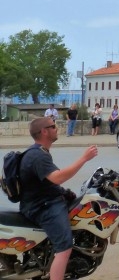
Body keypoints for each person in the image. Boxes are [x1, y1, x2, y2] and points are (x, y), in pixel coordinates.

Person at [19, 117, 98, 280]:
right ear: (44, 131)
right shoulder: (38, 156)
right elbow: (58, 177)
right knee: (64, 248)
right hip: (42, 207)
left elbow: (49, 183)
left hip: (42, 201)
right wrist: (84, 158)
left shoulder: (39, 152)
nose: (57, 128)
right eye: (53, 126)